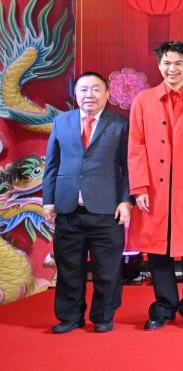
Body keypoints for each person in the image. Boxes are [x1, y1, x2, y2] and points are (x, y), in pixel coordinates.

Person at [128, 41, 183, 330]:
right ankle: (163, 307)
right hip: (154, 189)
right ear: (159, 65)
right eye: (167, 63)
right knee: (157, 251)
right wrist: (139, 187)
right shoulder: (143, 101)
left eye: (178, 63)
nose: (172, 68)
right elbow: (136, 146)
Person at [43, 72, 130, 334]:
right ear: (76, 94)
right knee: (69, 267)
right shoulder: (61, 122)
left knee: (107, 269)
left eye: (95, 89)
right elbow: (52, 164)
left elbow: (129, 167)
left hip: (106, 210)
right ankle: (70, 316)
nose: (89, 95)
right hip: (68, 207)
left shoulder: (120, 124)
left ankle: (103, 315)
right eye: (83, 90)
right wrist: (49, 200)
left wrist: (126, 201)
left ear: (106, 94)